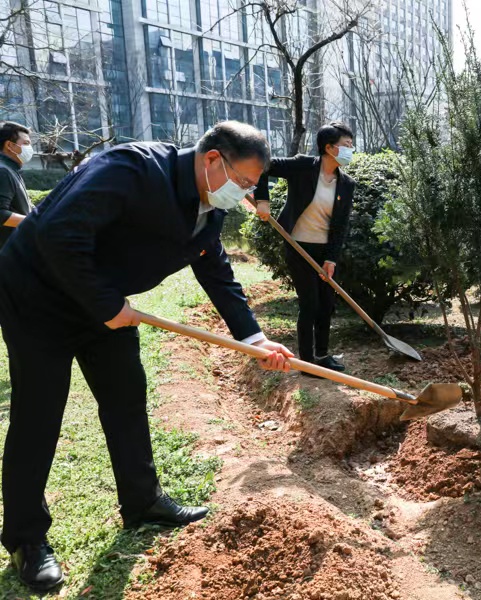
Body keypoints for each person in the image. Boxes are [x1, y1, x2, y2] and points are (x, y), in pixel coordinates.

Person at [0, 121, 295, 592]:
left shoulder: (207, 208)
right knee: (39, 414)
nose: (246, 191)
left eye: (252, 185)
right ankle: (26, 539)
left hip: (105, 299)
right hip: (39, 297)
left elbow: (215, 268)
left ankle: (141, 501)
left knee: (126, 398)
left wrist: (253, 338)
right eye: (243, 180)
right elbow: (58, 234)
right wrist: (107, 306)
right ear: (213, 159)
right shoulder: (131, 169)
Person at [255, 122, 356, 373]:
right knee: (310, 304)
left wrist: (331, 259)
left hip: (324, 251)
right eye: (346, 146)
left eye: (351, 146)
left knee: (326, 305)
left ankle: (322, 356)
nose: (350, 151)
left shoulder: (346, 184)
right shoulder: (303, 166)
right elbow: (263, 166)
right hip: (298, 245)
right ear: (329, 148)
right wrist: (262, 199)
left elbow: (340, 226)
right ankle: (307, 361)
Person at [0, 121, 35, 248]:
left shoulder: (11, 169)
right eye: (26, 143)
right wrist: (36, 221)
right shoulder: (3, 171)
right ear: (9, 145)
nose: (30, 148)